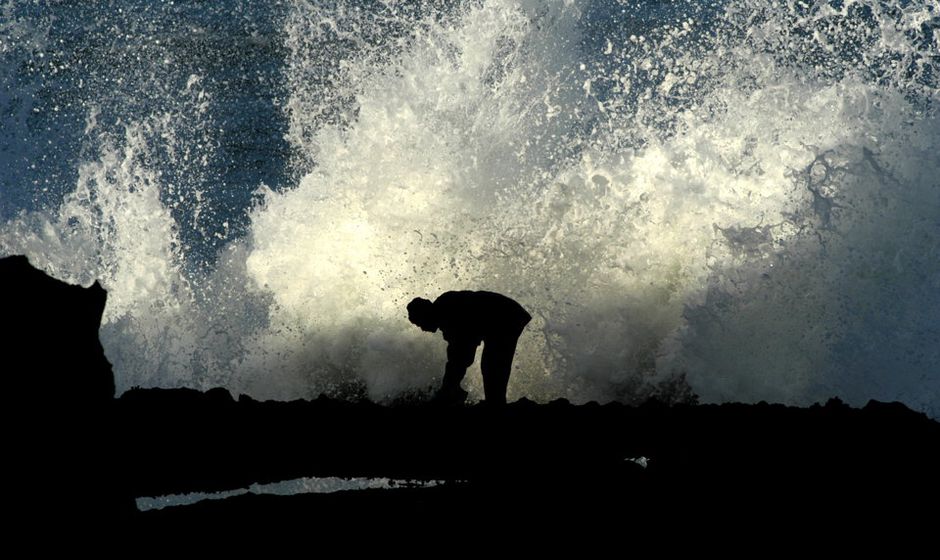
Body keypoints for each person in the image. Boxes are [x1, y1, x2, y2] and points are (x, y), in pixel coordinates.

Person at [407, 291, 531, 405]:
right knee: (491, 365)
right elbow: (459, 355)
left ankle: (495, 405)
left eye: (420, 323)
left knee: (492, 365)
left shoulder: (448, 311)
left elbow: (461, 355)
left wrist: (448, 388)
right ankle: (495, 403)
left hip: (506, 316)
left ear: (426, 313)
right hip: (503, 317)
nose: (422, 329)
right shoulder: (444, 310)